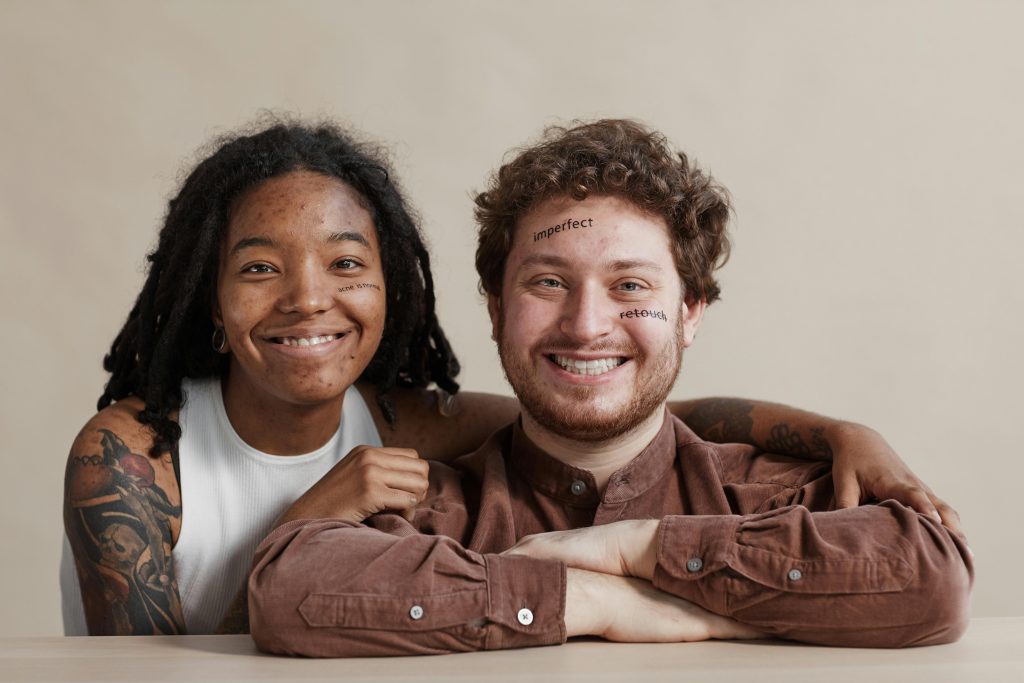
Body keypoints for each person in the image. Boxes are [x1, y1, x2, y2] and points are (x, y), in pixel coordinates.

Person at [63, 119, 959, 636]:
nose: (586, 325)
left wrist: (636, 546)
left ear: (693, 311)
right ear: (492, 307)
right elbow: (267, 598)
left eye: (632, 287)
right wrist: (601, 601)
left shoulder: (411, 419)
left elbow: (630, 405)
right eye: (547, 284)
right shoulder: (411, 494)